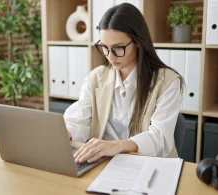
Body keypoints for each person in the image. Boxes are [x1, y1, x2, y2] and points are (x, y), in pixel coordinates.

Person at [63, 3, 184, 164]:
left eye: (118, 48)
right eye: (104, 47)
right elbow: (79, 121)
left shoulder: (167, 82)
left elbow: (160, 139)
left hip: (148, 166)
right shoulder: (96, 78)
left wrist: (117, 146)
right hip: (103, 164)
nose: (110, 56)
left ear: (138, 42)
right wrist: (67, 132)